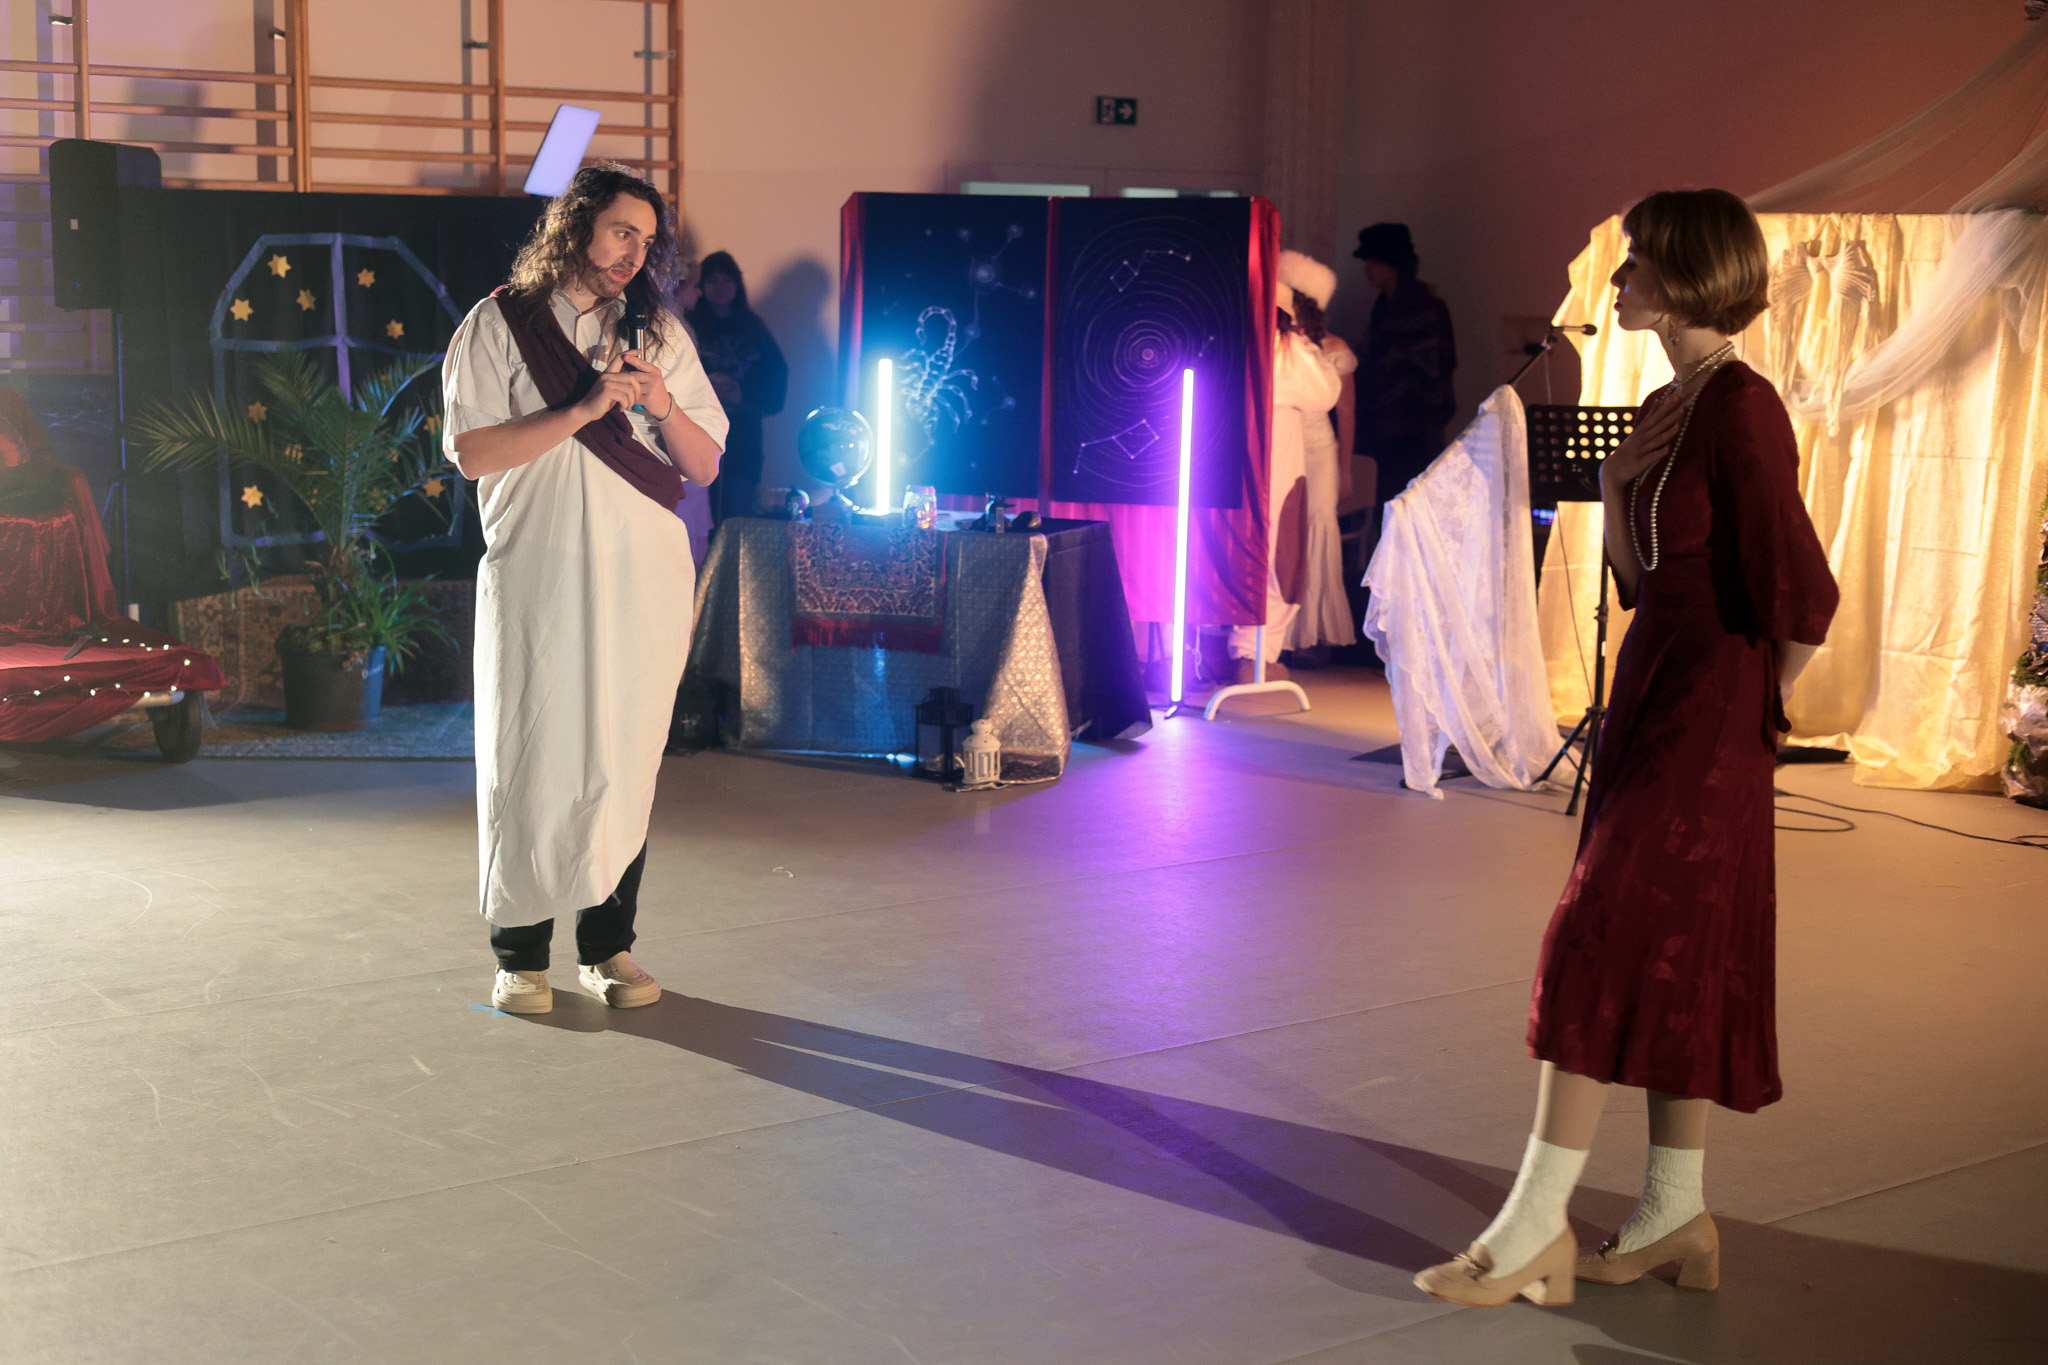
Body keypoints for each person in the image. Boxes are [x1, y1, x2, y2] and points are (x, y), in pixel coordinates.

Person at [1413, 188, 1838, 1308]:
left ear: (1690, 274)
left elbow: (1803, 592)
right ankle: (1673, 1214)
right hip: (1656, 686)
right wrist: (1610, 482)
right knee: (1668, 947)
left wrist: (1755, 711)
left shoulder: (1742, 407)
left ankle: (1531, 1227)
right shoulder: (1671, 402)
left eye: (1638, 259)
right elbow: (1647, 581)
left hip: (1707, 708)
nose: (1618, 277)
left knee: (1598, 933)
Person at [441, 164, 728, 1015]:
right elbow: (474, 452)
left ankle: (607, 946)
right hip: (537, 569)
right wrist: (582, 408)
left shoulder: (659, 332)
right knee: (530, 748)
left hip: (641, 575)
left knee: (623, 752)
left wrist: (662, 403)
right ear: (575, 229)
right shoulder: (497, 324)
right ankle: (521, 957)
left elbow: (705, 462)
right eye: (620, 232)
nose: (633, 252)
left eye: (646, 239)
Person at [1227, 283, 1341, 680]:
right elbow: (1325, 392)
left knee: (1234, 550)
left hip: (1229, 466)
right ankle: (1253, 655)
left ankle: (1221, 652)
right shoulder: (1282, 347)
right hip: (1274, 469)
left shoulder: (1228, 336)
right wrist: (1299, 340)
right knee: (1278, 552)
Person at [1275, 251, 1357, 656]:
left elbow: (1346, 412)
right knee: (1286, 532)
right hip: (1283, 442)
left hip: (1320, 448)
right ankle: (1282, 634)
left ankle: (1312, 633)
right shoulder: (1279, 345)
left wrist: (1345, 469)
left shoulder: (1333, 348)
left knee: (1317, 528)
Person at [1352, 223, 1456, 506]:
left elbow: (1431, 373)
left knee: (1405, 504)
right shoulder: (1383, 306)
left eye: (1373, 260)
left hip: (1413, 435)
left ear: (1392, 263)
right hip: (1383, 432)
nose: (1366, 268)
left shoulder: (1424, 309)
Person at [686, 251, 788, 526]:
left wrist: (742, 395)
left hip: (742, 436)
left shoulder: (754, 327)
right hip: (697, 431)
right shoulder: (688, 325)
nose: (720, 287)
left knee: (737, 518)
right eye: (712, 280)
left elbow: (776, 378)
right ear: (701, 286)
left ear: (737, 283)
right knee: (697, 517)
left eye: (726, 279)